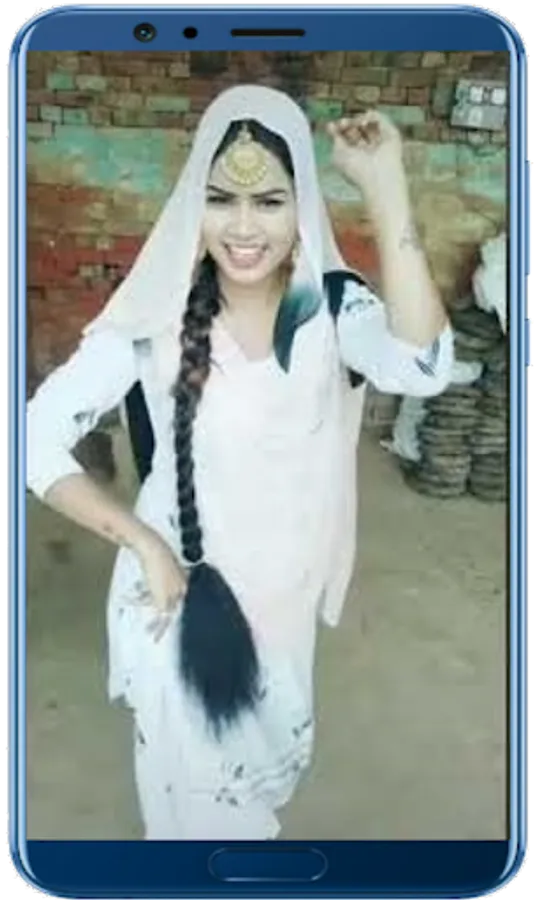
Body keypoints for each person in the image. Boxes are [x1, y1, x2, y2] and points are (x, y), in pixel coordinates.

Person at [26, 85, 454, 840]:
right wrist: (144, 544)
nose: (245, 227)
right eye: (222, 199)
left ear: (301, 207)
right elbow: (31, 439)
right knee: (198, 814)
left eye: (270, 201)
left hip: (281, 606)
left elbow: (423, 368)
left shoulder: (330, 309)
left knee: (248, 799)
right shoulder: (155, 316)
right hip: (174, 603)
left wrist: (386, 190)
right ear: (195, 204)